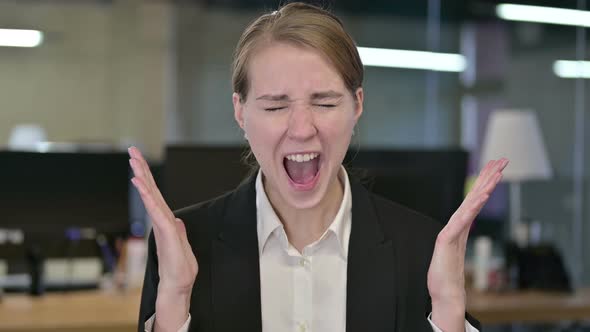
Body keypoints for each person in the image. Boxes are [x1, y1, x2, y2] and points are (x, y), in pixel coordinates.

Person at [131, 2, 508, 332]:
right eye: (276, 106)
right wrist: (176, 299)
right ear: (240, 111)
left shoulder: (421, 248)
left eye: (325, 103)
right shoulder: (187, 244)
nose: (301, 129)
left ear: (357, 105)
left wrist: (447, 312)